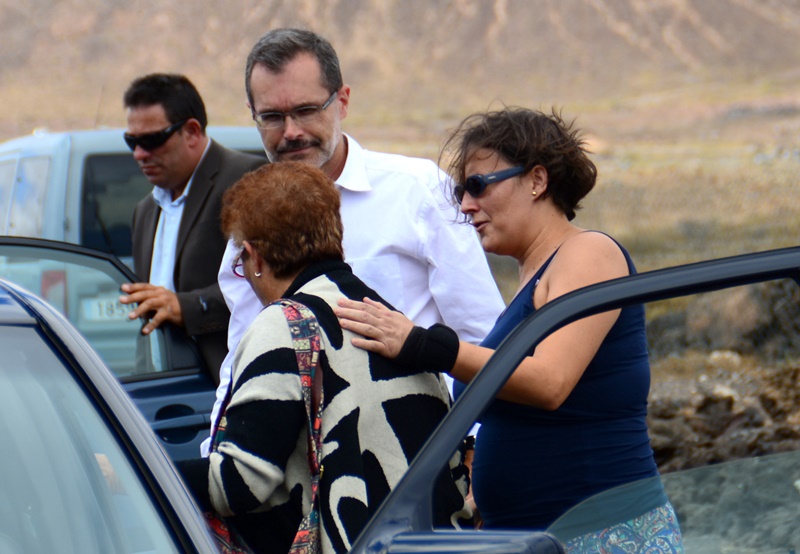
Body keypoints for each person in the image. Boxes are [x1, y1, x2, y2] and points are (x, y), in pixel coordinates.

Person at [334, 107, 684, 551]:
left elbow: (549, 382)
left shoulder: (589, 253)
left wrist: (423, 344)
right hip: (539, 538)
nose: (465, 205)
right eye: (461, 191)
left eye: (478, 185)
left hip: (605, 536)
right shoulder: (530, 284)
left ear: (537, 180)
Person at [202, 28, 505, 453]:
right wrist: (216, 457)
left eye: (306, 110)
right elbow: (243, 361)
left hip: (420, 461)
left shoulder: (416, 191)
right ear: (251, 114)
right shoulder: (250, 220)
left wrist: (472, 450)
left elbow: (483, 336)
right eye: (272, 117)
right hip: (308, 474)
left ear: (342, 100)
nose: (290, 132)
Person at [177, 161, 470, 554]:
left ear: (255, 258)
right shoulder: (387, 318)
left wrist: (137, 470)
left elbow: (239, 483)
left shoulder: (284, 326)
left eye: (240, 264)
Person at [119, 73, 265, 383]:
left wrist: (186, 307)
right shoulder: (144, 211)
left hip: (231, 385)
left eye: (151, 140)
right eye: (131, 141)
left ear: (192, 131)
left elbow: (267, 283)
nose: (139, 154)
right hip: (165, 386)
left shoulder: (247, 179)